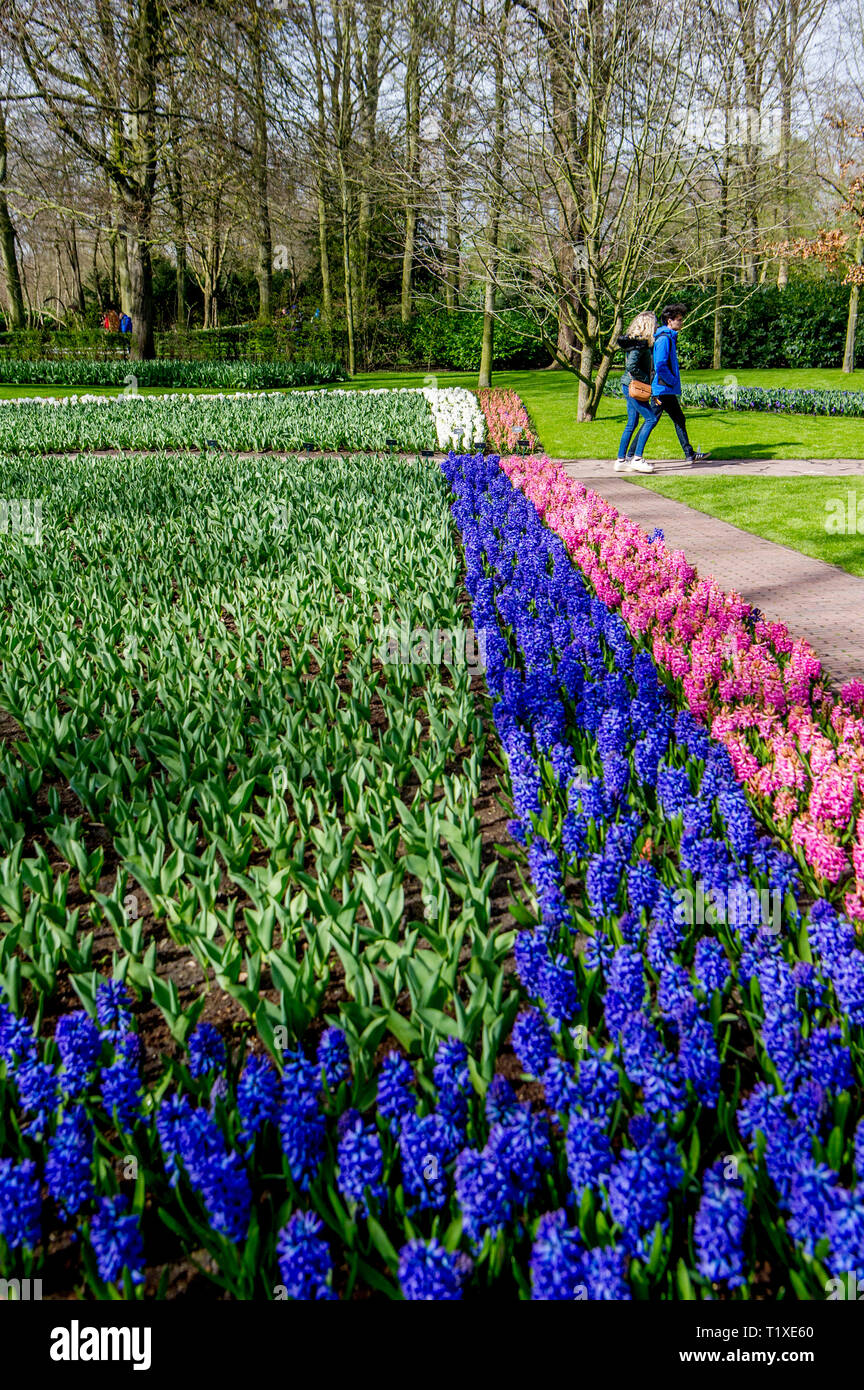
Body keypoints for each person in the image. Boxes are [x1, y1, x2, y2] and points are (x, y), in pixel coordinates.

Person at [651, 303, 709, 463]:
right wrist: (672, 381)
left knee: (679, 419)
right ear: (669, 321)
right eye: (679, 319)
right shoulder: (663, 339)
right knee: (651, 421)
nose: (682, 322)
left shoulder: (669, 337)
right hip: (661, 391)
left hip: (666, 391)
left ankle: (689, 454)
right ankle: (631, 455)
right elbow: (660, 365)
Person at [615, 311, 659, 473]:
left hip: (629, 385)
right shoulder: (639, 345)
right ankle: (637, 458)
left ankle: (621, 460)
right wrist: (644, 379)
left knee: (632, 422)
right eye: (654, 324)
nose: (656, 327)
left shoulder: (637, 343)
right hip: (633, 386)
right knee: (651, 418)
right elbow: (631, 367)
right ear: (648, 325)